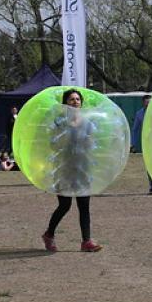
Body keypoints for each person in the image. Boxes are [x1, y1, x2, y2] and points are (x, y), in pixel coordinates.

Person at [41, 89, 102, 253]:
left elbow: (93, 145)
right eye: (71, 99)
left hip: (83, 168)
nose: (75, 101)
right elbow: (52, 145)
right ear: (65, 103)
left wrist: (89, 144)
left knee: (84, 206)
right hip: (64, 169)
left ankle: (86, 241)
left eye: (77, 99)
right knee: (64, 206)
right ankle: (49, 234)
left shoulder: (88, 123)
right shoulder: (60, 122)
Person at [132, 95, 152, 194]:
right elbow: (135, 129)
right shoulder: (139, 114)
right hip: (147, 142)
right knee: (149, 165)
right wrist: (133, 144)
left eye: (150, 101)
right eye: (147, 102)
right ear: (143, 102)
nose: (149, 103)